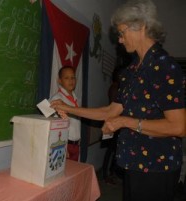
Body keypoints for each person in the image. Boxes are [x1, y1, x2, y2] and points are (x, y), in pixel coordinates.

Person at [51, 0, 185, 201]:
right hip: (133, 162)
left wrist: (124, 121)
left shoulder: (164, 66)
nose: (120, 40)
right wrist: (67, 108)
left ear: (140, 27)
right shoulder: (131, 70)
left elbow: (178, 126)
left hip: (157, 167)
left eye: (122, 33)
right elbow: (109, 111)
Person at [50, 66, 81, 161]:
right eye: (66, 78)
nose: (71, 80)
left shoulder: (75, 98)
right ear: (60, 81)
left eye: (73, 77)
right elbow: (54, 126)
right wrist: (63, 146)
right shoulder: (57, 99)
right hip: (64, 145)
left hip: (75, 145)